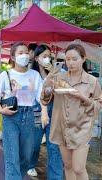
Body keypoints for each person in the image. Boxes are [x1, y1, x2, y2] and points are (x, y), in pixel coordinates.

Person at [41, 44, 102, 180]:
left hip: (82, 128)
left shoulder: (92, 81)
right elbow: (45, 100)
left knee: (79, 168)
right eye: (67, 59)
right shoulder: (59, 78)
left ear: (83, 58)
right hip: (62, 127)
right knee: (68, 166)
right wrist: (48, 84)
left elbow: (98, 104)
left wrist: (82, 97)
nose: (70, 63)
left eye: (74, 59)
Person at [0, 42, 44, 180]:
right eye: (20, 53)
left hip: (30, 116)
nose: (24, 55)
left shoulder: (35, 75)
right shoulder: (5, 75)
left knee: (27, 155)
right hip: (11, 117)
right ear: (13, 57)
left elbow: (42, 97)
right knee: (12, 157)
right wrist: (2, 110)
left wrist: (44, 112)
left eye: (26, 52)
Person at [27, 44, 63, 179]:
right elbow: (33, 94)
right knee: (35, 143)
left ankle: (55, 176)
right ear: (37, 58)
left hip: (54, 109)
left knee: (54, 145)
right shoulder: (32, 74)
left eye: (49, 56)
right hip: (37, 110)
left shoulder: (55, 72)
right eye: (44, 56)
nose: (47, 59)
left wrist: (54, 74)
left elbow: (61, 87)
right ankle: (30, 164)